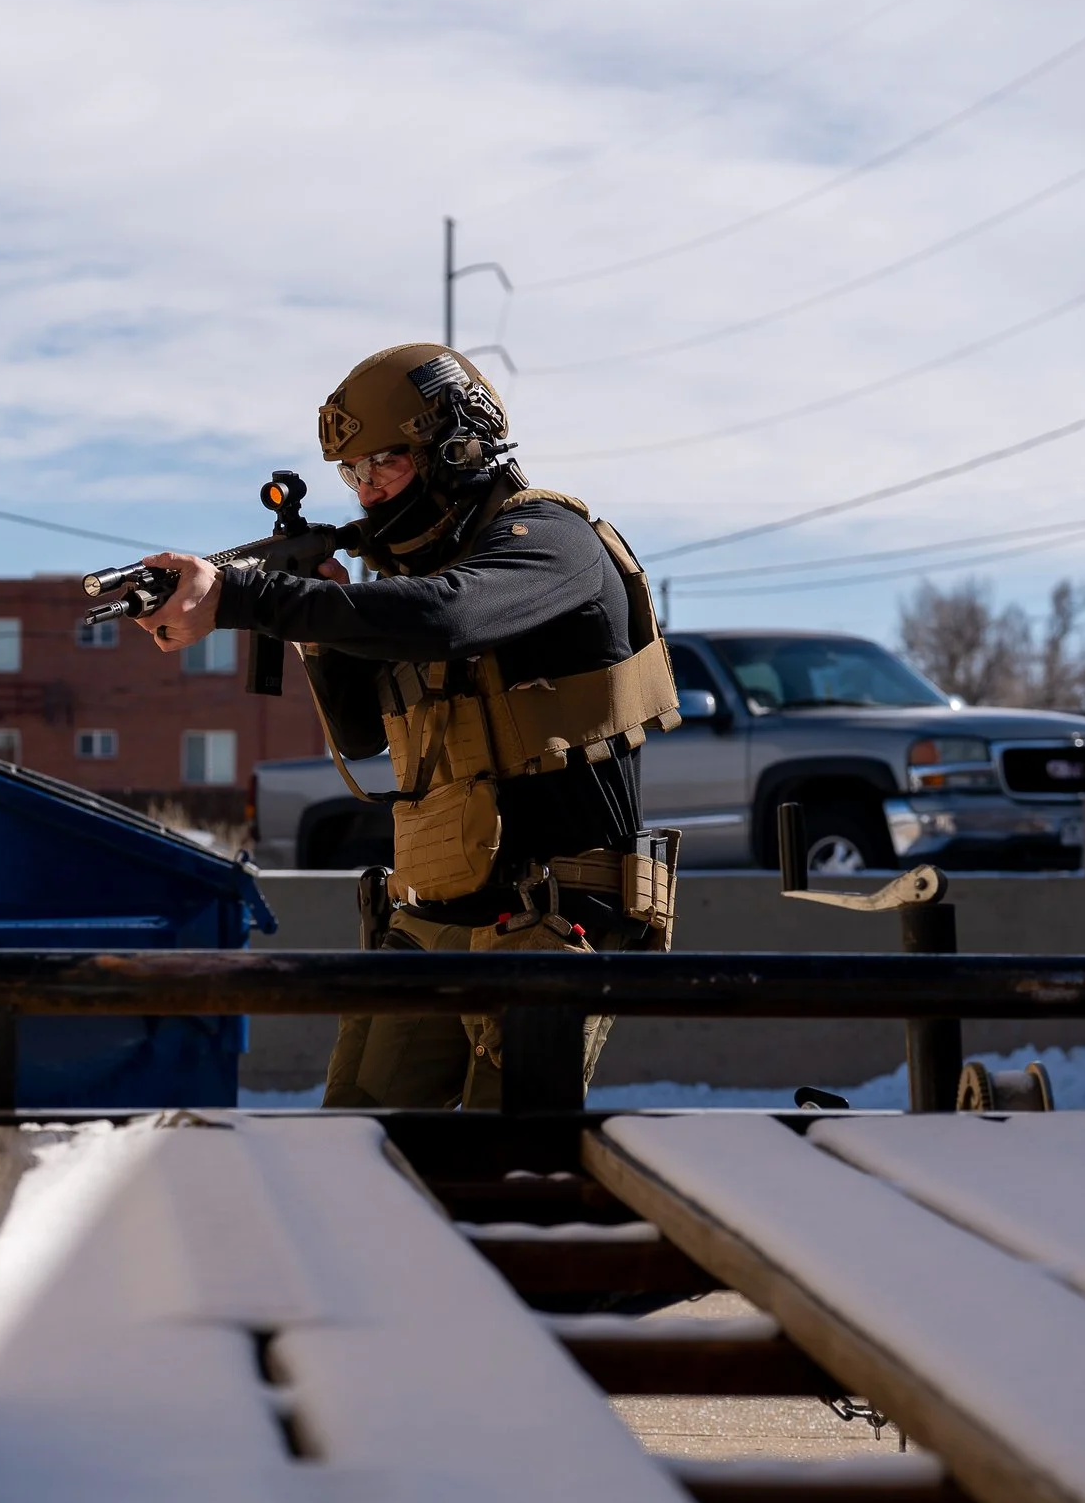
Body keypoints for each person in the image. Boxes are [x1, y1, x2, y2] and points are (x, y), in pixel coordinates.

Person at [134, 343, 681, 1109]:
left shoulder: (553, 540)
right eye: (350, 474)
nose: (365, 494)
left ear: (456, 446)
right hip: (431, 913)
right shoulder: (415, 584)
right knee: (356, 1146)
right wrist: (320, 624)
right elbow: (362, 734)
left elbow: (451, 616)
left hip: (550, 915)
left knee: (507, 1173)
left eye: (381, 464)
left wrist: (248, 598)